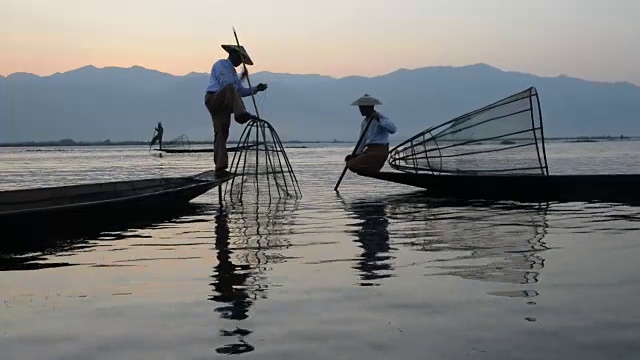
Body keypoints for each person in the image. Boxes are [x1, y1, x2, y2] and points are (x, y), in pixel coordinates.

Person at [204, 44, 268, 176]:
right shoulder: (221, 64)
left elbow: (241, 91)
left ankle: (220, 167)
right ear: (232, 54)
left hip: (226, 104)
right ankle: (240, 114)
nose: (240, 62)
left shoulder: (233, 73)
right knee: (230, 90)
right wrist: (241, 78)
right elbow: (227, 86)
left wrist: (257, 88)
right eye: (239, 58)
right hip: (214, 99)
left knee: (221, 134)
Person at [345, 94, 396, 173]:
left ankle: (372, 167)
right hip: (369, 150)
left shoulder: (380, 117)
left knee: (352, 164)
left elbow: (393, 129)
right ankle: (370, 167)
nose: (361, 110)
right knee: (350, 162)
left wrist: (378, 119)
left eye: (362, 108)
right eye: (360, 108)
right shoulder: (364, 122)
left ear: (369, 107)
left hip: (379, 151)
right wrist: (356, 154)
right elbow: (362, 141)